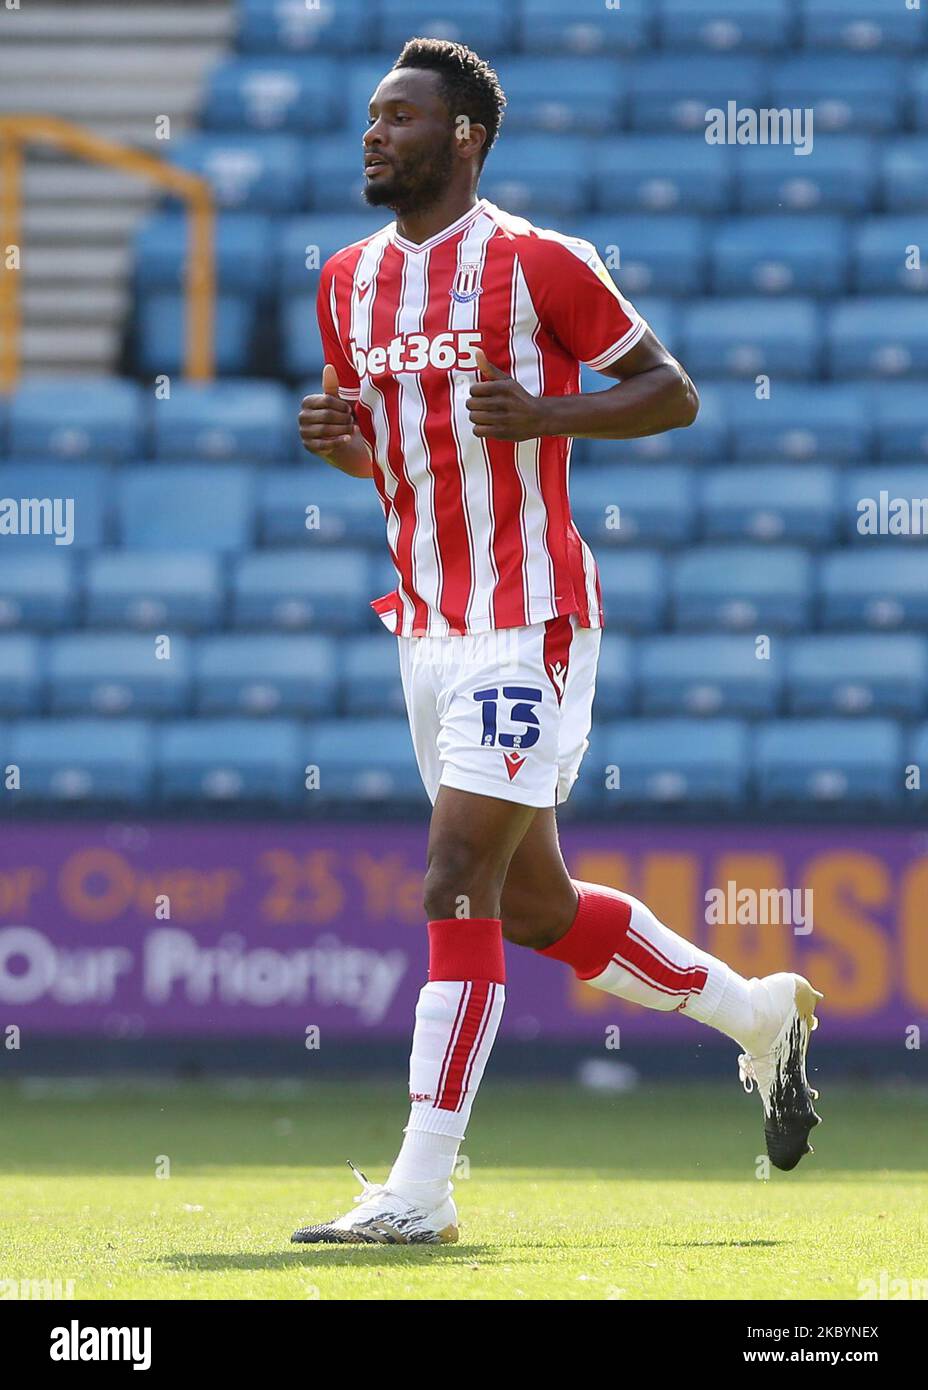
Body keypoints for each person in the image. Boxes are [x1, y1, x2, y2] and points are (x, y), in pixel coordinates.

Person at [292, 38, 821, 1246]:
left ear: (463, 135)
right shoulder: (344, 281)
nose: (373, 135)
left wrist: (549, 411)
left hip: (529, 624)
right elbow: (409, 458)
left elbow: (672, 389)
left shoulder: (538, 263)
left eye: (399, 117)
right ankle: (757, 1016)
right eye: (370, 118)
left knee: (451, 881)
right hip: (425, 625)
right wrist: (342, 443)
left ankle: (418, 1190)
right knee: (532, 908)